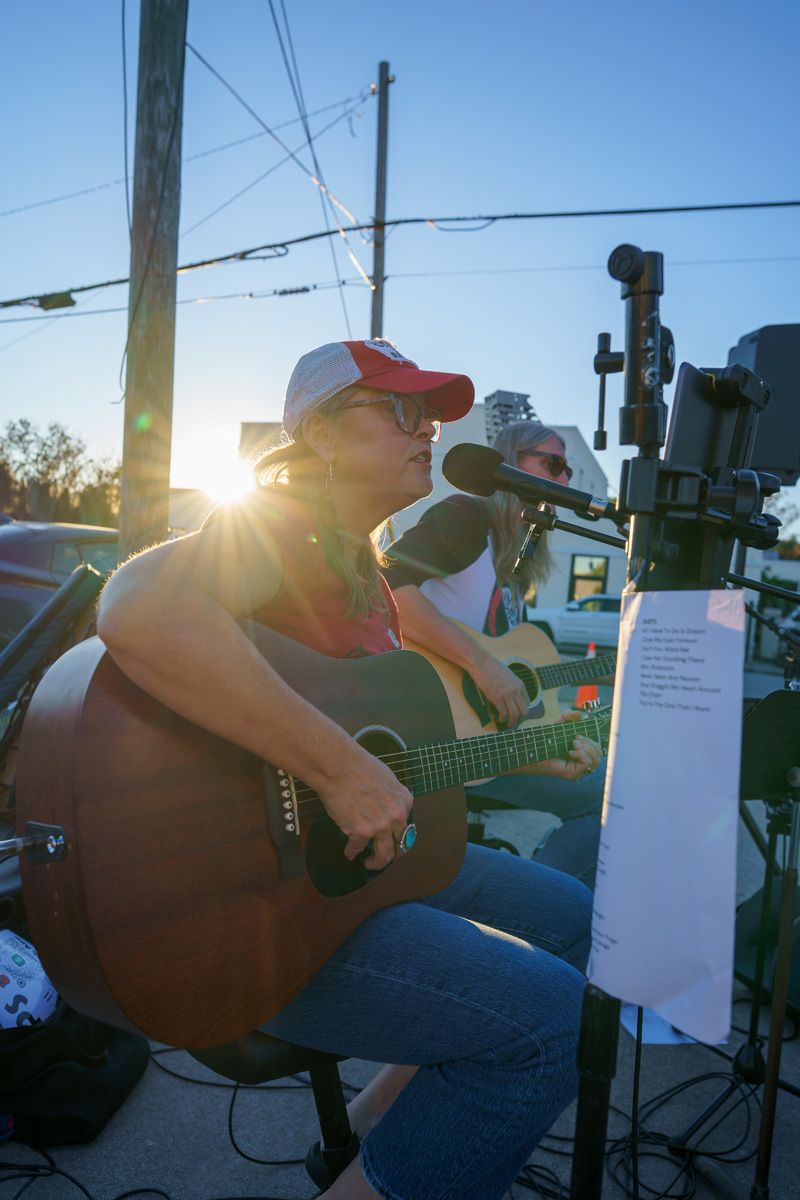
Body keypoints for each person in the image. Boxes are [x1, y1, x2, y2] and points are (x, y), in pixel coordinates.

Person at [97, 338, 600, 1200]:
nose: (428, 430)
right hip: (266, 912)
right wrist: (336, 770)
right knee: (550, 1020)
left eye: (431, 414)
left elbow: (385, 761)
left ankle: (378, 1125)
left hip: (362, 878)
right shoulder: (278, 527)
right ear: (323, 434)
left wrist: (522, 754)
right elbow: (138, 605)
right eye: (402, 411)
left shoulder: (362, 566)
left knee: (572, 918)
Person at [382, 419, 607, 887]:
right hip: (435, 742)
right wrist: (481, 665)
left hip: (491, 741)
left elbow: (515, 665)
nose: (564, 478)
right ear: (510, 464)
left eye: (568, 470)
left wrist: (549, 712)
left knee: (606, 781)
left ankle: (535, 891)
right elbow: (387, 582)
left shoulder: (517, 561)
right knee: (604, 797)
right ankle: (541, 900)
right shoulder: (465, 516)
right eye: (554, 464)